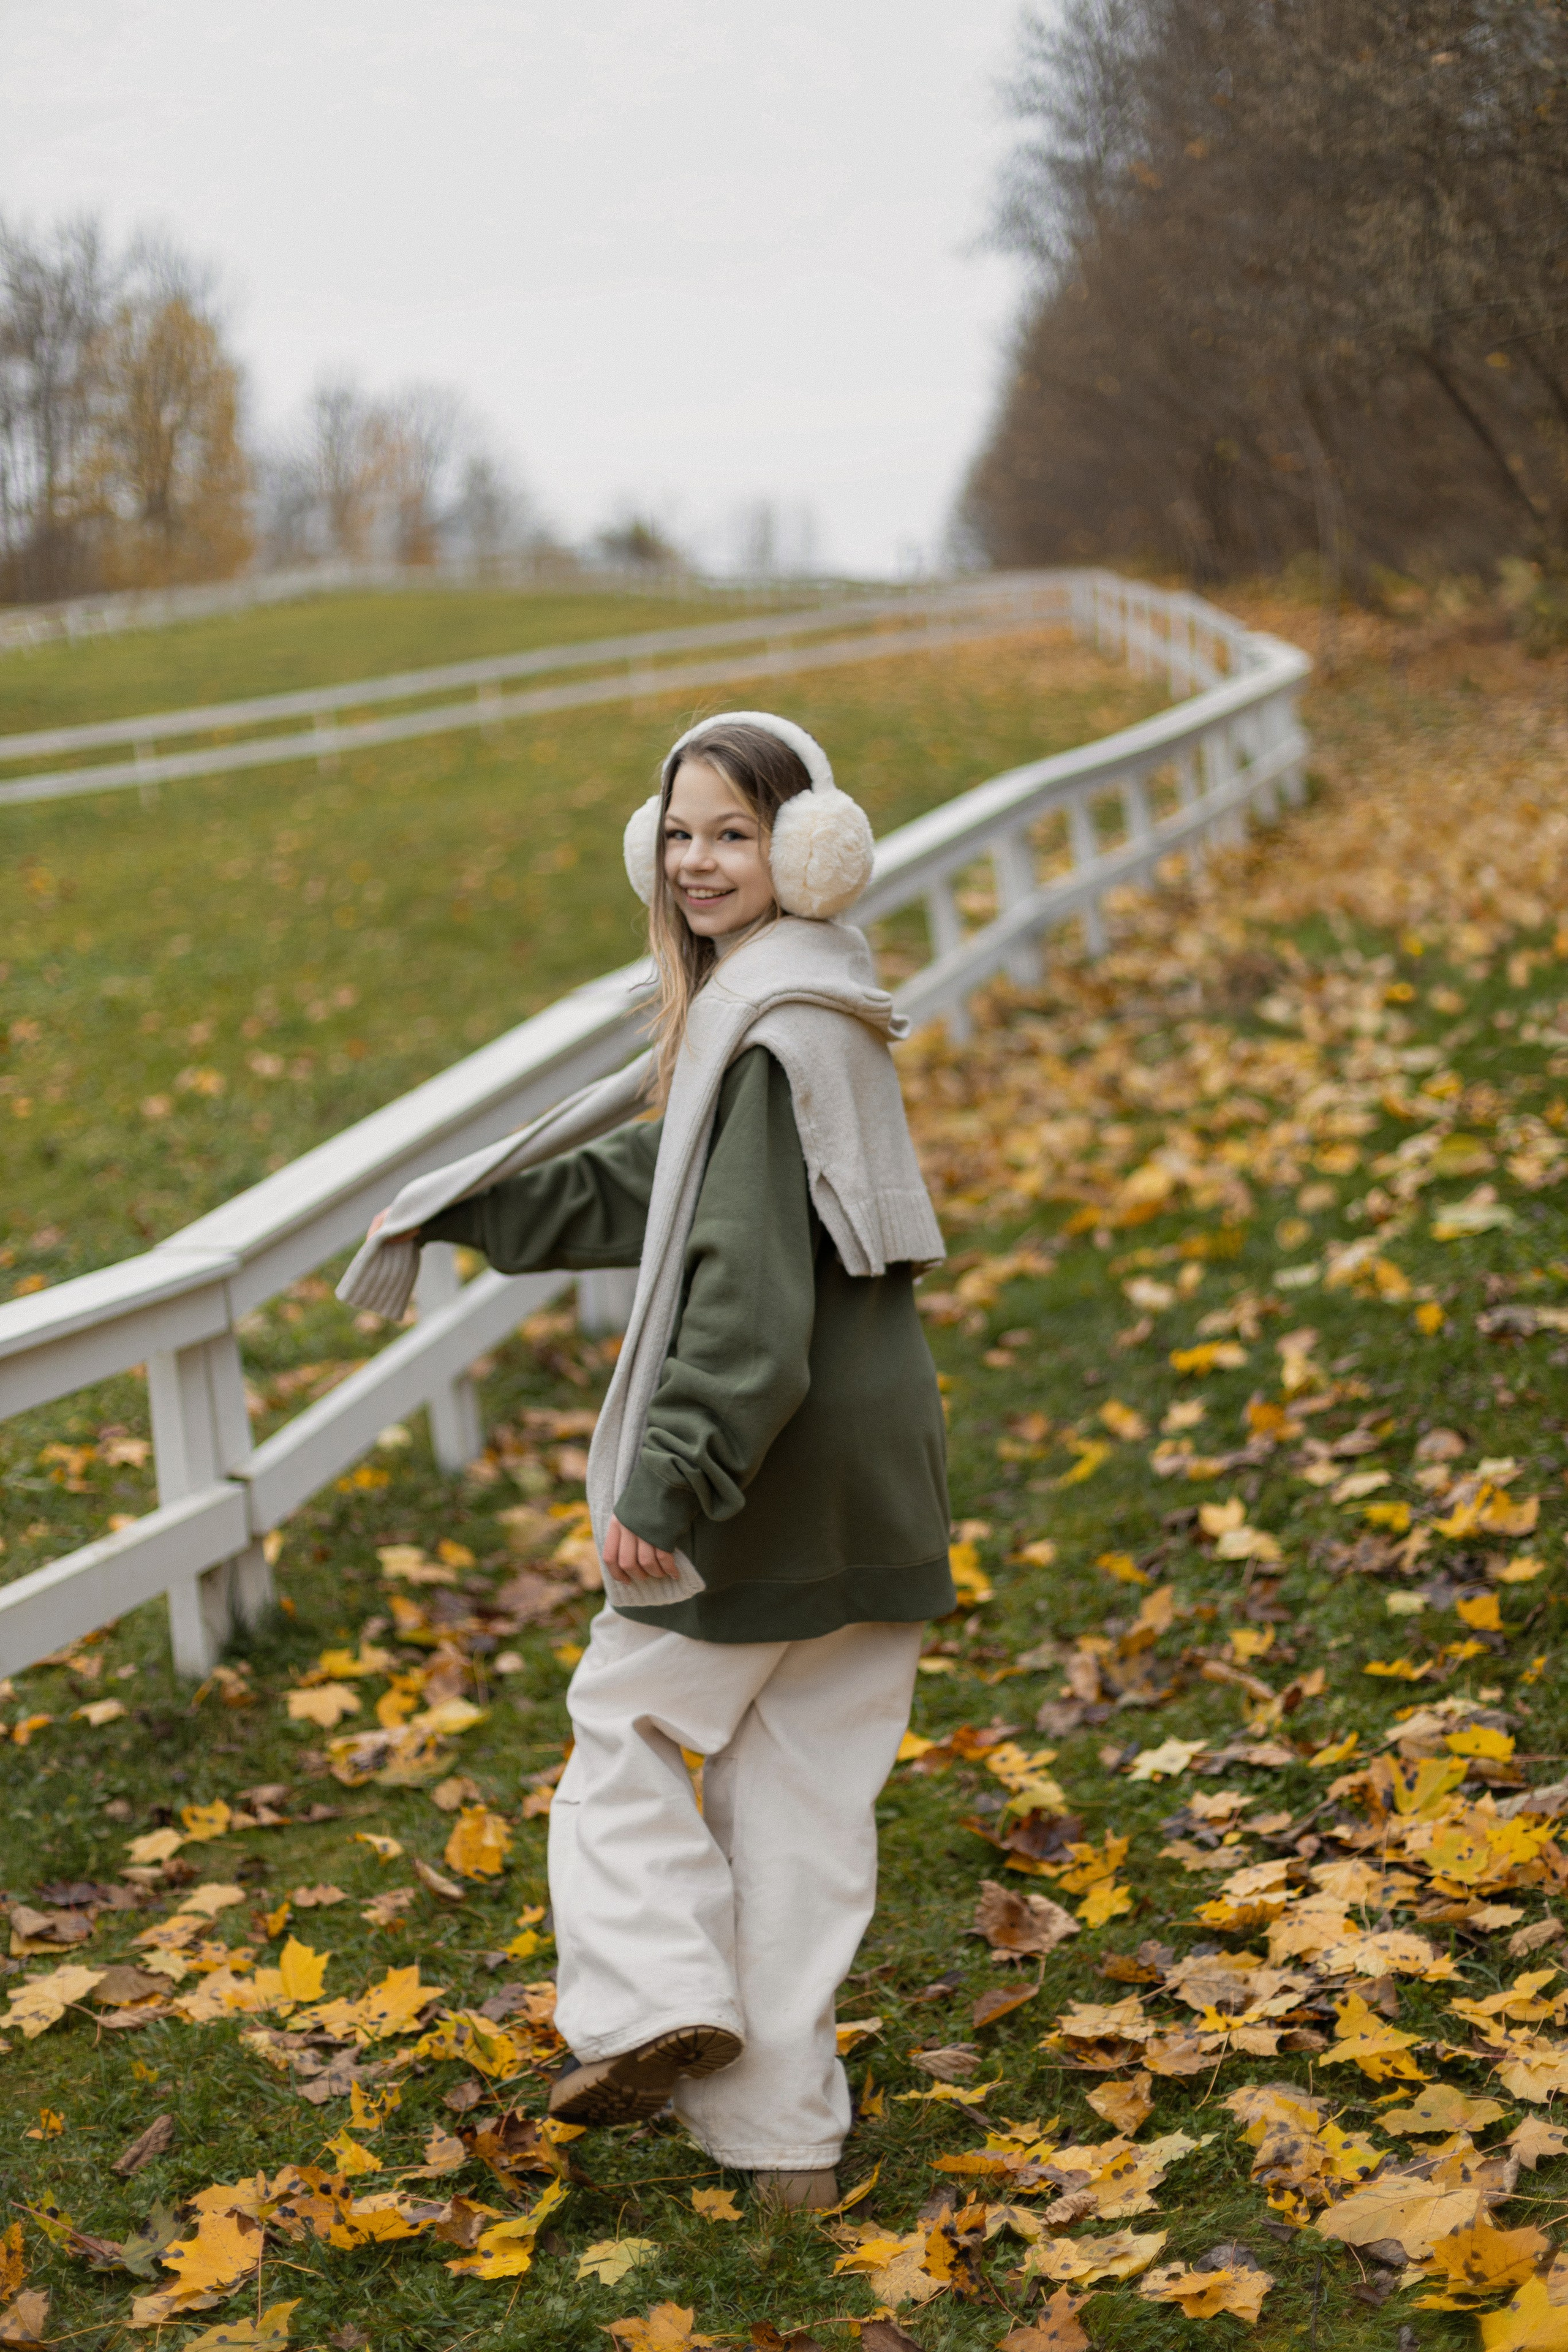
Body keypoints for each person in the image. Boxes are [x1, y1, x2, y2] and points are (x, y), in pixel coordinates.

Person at [370, 711, 954, 2209]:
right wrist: (479, 1212)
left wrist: (668, 1479)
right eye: (679, 831)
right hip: (874, 1487)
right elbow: (662, 1182)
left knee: (621, 1739)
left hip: (763, 1486)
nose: (696, 861)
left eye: (734, 835)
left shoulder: (764, 1030)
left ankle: (647, 2007)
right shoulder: (819, 1003)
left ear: (806, 850)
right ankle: (784, 2152)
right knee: (802, 1812)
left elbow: (748, 1304)